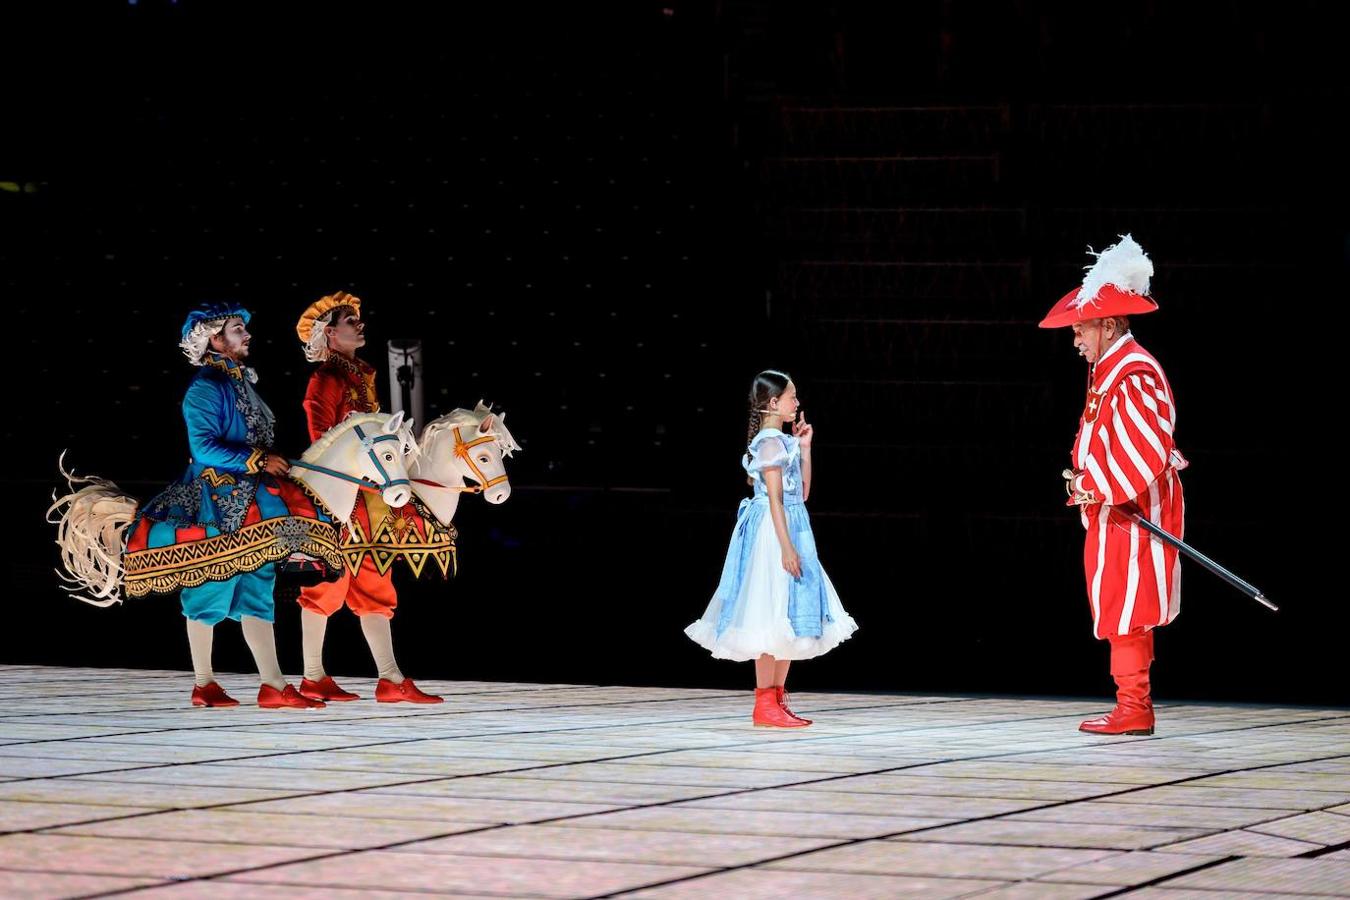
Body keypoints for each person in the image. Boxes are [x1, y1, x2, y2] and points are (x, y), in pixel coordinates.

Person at [128, 302, 327, 708]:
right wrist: (256, 459)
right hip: (215, 505)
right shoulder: (205, 389)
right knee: (210, 591)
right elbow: (203, 448)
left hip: (255, 502)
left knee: (259, 590)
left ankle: (273, 684)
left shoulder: (241, 384)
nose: (247, 335)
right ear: (215, 339)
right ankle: (204, 683)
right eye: (238, 329)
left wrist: (273, 461)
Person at [1039, 235, 1187, 736]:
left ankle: (1133, 707)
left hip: (1133, 509)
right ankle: (1131, 705)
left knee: (1130, 602)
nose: (1076, 340)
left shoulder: (1135, 370)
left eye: (1081, 330)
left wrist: (1096, 485)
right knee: (1121, 601)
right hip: (1116, 507)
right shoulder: (1110, 368)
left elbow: (1144, 448)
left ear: (1107, 325)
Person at [292, 291, 442, 704]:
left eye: (358, 319)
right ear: (329, 332)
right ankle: (311, 675)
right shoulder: (327, 377)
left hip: (368, 498)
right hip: (340, 499)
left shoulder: (359, 374)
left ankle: (390, 678)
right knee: (327, 586)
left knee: (376, 584)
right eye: (349, 321)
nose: (359, 325)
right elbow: (321, 441)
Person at [685, 370, 858, 727]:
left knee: (789, 614)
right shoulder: (768, 442)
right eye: (792, 397)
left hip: (794, 525)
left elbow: (803, 494)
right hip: (774, 532)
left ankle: (776, 699)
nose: (797, 403)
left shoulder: (783, 441)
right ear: (773, 402)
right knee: (768, 611)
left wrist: (806, 449)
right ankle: (765, 701)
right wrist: (786, 547)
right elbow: (776, 500)